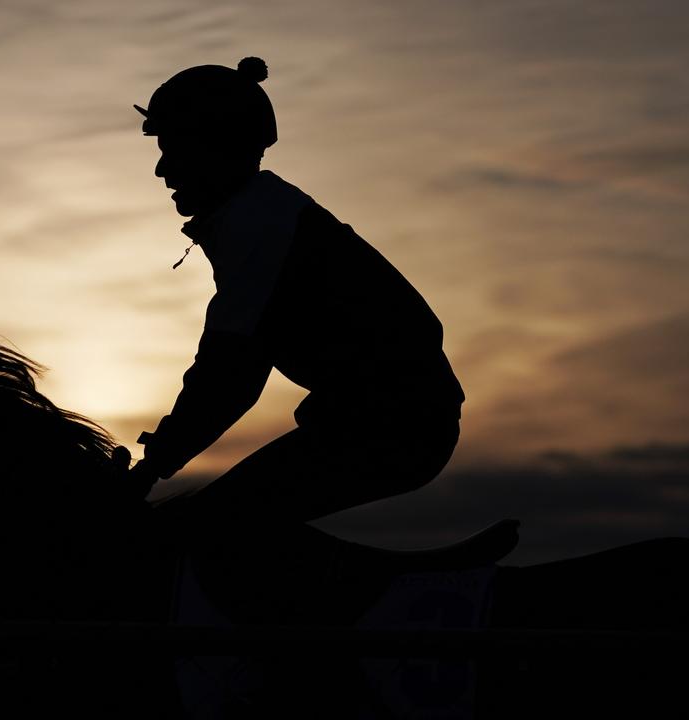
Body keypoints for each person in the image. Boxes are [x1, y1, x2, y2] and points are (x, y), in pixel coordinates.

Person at [130, 57, 466, 532]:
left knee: (211, 530)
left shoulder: (261, 229)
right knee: (221, 523)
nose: (162, 171)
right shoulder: (266, 217)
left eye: (172, 150)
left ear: (215, 149)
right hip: (376, 423)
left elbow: (230, 373)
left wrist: (149, 468)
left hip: (391, 430)